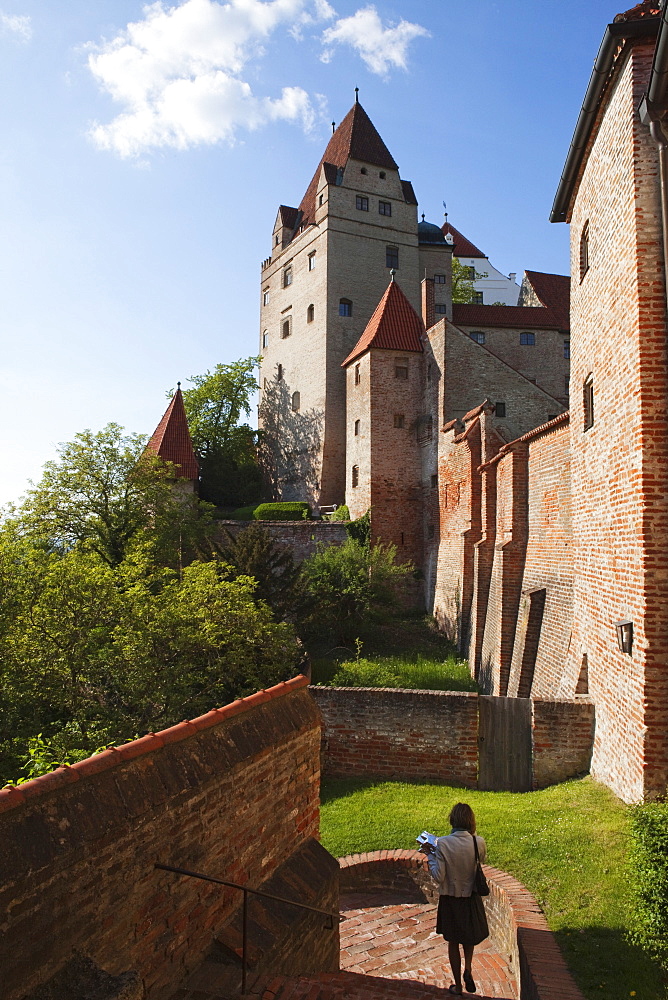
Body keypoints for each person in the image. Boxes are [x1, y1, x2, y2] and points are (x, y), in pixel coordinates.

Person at [420, 802, 489, 995]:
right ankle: (468, 968)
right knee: (468, 938)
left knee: (453, 942)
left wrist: (430, 855)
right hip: (470, 896)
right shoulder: (478, 842)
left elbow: (438, 876)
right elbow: (480, 861)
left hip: (450, 898)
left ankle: (458, 986)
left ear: (453, 820)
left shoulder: (442, 843)